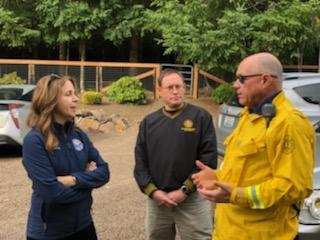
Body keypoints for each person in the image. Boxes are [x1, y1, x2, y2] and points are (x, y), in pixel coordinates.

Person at [192, 53, 315, 240]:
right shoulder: (249, 116)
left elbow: (293, 188)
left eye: (241, 79)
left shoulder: (288, 123)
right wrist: (216, 177)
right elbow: (250, 172)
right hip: (229, 232)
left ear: (265, 80)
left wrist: (235, 195)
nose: (235, 84)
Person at [22, 74, 110, 240]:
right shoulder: (34, 141)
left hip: (84, 225)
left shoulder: (78, 134)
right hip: (49, 233)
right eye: (68, 94)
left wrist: (72, 180)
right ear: (51, 100)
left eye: (74, 93)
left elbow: (104, 172)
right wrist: (88, 182)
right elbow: (52, 193)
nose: (76, 99)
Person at [134, 68, 217, 240]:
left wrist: (184, 190)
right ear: (159, 91)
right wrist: (153, 192)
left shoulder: (201, 117)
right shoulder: (148, 122)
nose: (175, 91)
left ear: (184, 89)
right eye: (170, 87)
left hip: (192, 199)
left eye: (179, 86)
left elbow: (208, 160)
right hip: (158, 200)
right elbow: (140, 163)